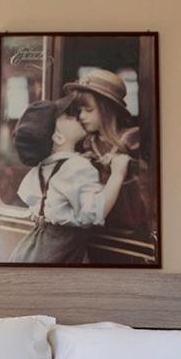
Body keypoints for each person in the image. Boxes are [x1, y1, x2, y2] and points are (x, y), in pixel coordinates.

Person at [8, 95, 130, 264]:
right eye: (67, 117)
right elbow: (95, 213)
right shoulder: (77, 167)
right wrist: (117, 174)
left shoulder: (44, 168)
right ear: (58, 137)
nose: (77, 116)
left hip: (38, 246)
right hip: (62, 253)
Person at [63, 69, 152, 237]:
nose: (81, 116)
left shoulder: (131, 140)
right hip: (99, 228)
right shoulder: (90, 143)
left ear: (107, 110)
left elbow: (144, 184)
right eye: (79, 110)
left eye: (88, 110)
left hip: (129, 229)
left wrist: (124, 164)